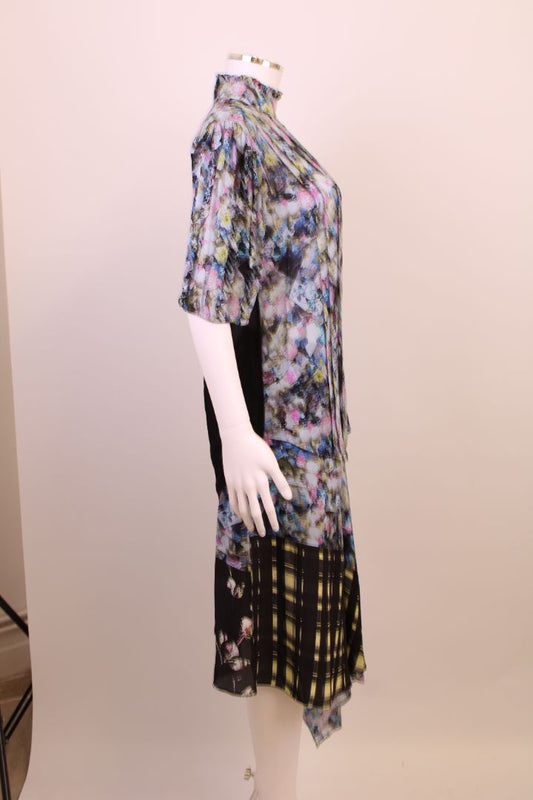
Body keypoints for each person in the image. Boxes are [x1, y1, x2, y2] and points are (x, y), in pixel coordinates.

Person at [178, 52, 367, 800]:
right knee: (279, 621)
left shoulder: (269, 130)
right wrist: (235, 433)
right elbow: (205, 297)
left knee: (293, 631)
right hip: (274, 440)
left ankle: (273, 791)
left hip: (311, 440)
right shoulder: (229, 129)